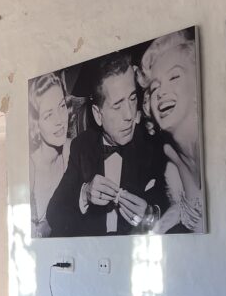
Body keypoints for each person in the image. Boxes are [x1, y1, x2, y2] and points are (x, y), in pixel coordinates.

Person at [46, 53, 167, 237]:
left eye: (132, 98)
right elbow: (54, 214)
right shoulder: (82, 146)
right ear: (98, 114)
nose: (129, 115)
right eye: (117, 105)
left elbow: (178, 206)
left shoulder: (154, 144)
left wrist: (152, 215)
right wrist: (84, 195)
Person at [138, 31, 204, 233]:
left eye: (174, 77)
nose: (161, 93)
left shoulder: (211, 146)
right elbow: (189, 210)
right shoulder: (171, 153)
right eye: (154, 88)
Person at [29, 72, 70, 237]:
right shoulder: (30, 167)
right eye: (48, 115)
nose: (60, 120)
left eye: (62, 106)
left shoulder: (71, 150)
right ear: (36, 124)